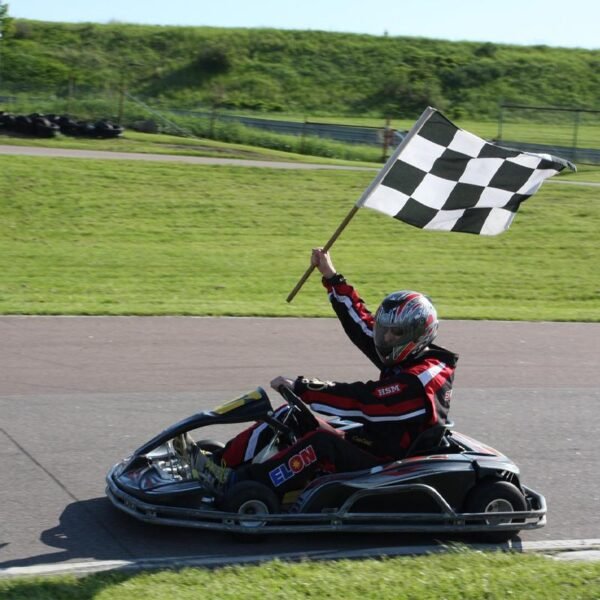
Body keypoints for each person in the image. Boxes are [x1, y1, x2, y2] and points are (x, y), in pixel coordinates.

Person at [193, 249, 458, 496]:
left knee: (321, 443)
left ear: (418, 334)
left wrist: (304, 388)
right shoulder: (406, 352)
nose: (386, 337)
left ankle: (244, 488)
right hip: (374, 438)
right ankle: (220, 464)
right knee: (291, 416)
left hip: (392, 462)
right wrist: (331, 277)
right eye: (385, 329)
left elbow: (366, 401)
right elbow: (362, 326)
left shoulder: (423, 377)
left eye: (395, 332)